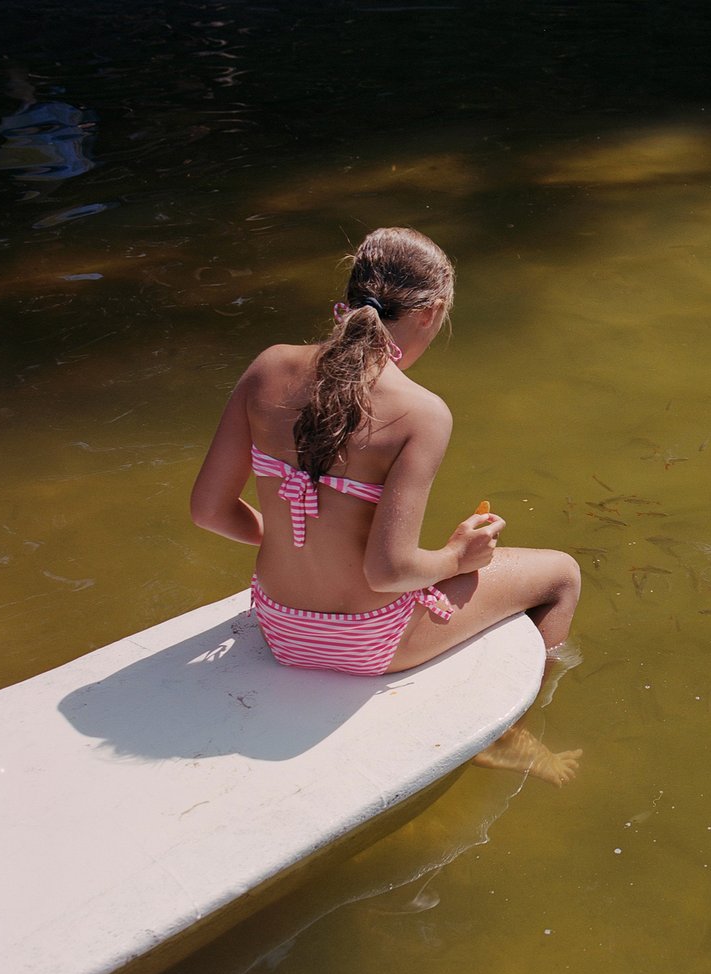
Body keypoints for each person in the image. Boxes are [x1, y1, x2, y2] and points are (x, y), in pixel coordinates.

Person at [191, 227, 581, 782]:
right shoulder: (422, 412)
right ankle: (511, 733)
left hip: (279, 628)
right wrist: (457, 555)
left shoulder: (268, 367)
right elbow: (388, 571)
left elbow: (209, 510)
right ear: (431, 313)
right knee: (562, 574)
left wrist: (288, 533)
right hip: (367, 642)